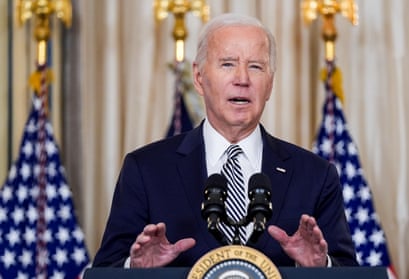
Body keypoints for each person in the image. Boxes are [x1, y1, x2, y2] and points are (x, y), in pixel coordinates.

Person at [93, 13, 357, 268]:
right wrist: (135, 269)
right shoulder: (146, 169)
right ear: (198, 77)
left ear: (270, 83)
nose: (242, 79)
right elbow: (105, 271)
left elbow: (349, 271)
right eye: (228, 64)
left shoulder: (315, 175)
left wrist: (320, 266)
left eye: (256, 67)